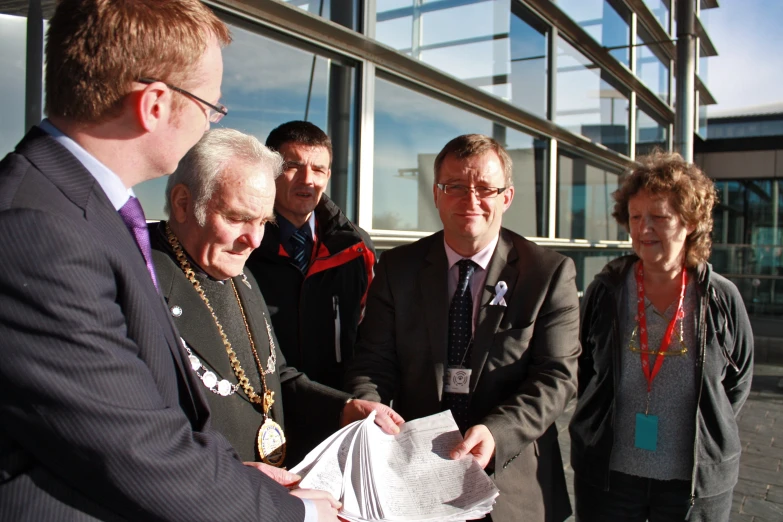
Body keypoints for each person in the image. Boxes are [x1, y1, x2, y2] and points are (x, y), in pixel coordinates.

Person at [0, 1, 340, 520]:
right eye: (211, 106)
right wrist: (300, 514)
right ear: (156, 104)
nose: (210, 121)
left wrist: (226, 471)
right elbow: (131, 446)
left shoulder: (83, 213)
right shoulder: (36, 228)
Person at [344, 134, 580, 522]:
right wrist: (369, 406)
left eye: (485, 188)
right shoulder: (398, 269)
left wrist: (497, 433)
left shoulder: (548, 273)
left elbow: (557, 377)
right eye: (455, 186)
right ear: (436, 194)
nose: (470, 200)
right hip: (415, 476)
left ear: (506, 197)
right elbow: (373, 360)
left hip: (512, 484)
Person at [150, 128, 397, 466]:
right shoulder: (141, 279)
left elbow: (274, 378)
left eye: (263, 222)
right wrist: (236, 481)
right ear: (183, 203)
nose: (253, 240)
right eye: (237, 218)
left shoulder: (240, 274)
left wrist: (343, 408)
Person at [569, 151, 754, 522]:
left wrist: (705, 426)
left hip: (692, 485)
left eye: (659, 217)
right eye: (636, 217)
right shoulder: (606, 291)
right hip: (610, 478)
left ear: (689, 222)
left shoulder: (720, 297)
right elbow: (585, 370)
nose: (643, 229)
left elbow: (737, 382)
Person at [246, 121, 375, 394]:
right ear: (270, 170)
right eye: (293, 166)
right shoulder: (242, 243)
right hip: (263, 407)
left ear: (328, 175)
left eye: (318, 169)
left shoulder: (356, 247)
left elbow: (371, 342)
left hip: (338, 409)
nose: (307, 180)